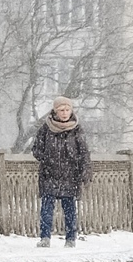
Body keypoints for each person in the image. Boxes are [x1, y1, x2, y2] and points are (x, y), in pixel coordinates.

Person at [31, 95, 90, 248]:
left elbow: (84, 152)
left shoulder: (77, 129)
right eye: (61, 110)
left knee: (69, 208)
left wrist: (85, 171)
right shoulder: (46, 128)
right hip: (49, 174)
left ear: (71, 111)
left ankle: (71, 238)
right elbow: (36, 149)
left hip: (70, 175)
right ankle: (45, 237)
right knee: (47, 208)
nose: (64, 113)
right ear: (55, 111)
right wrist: (46, 159)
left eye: (67, 109)